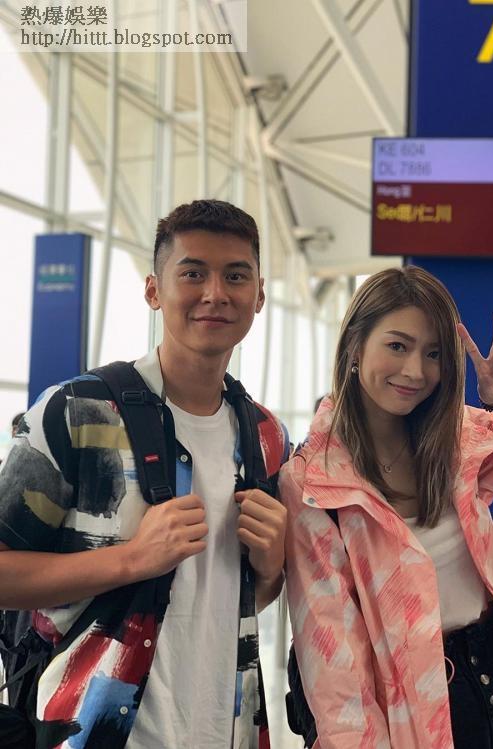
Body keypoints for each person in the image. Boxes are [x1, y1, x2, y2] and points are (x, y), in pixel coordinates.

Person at [0, 199, 289, 749]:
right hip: (93, 733)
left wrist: (272, 567)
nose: (215, 293)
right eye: (193, 273)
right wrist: (131, 559)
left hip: (224, 728)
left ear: (259, 295)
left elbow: (232, 599)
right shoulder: (78, 412)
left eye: (235, 276)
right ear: (154, 291)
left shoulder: (266, 437)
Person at [280, 266, 493, 749]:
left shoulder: (459, 442)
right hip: (422, 719)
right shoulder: (315, 483)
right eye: (397, 346)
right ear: (354, 347)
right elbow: (338, 677)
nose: (415, 371)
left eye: (433, 354)